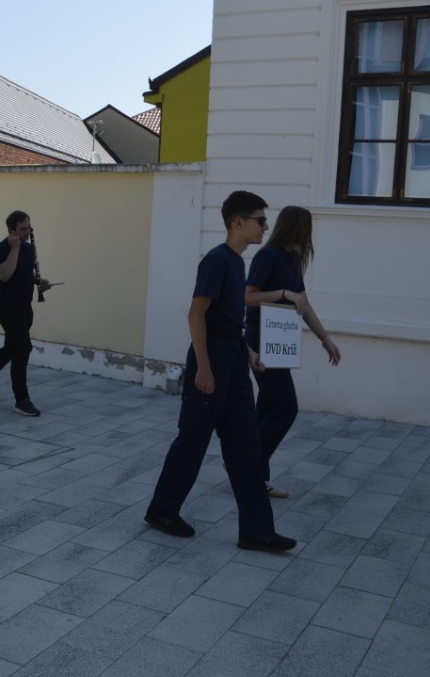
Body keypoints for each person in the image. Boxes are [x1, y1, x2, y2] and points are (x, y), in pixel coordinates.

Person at [144, 190, 297, 553]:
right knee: (193, 440)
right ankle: (162, 511)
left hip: (233, 357)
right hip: (211, 357)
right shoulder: (216, 260)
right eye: (260, 220)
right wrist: (204, 368)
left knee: (246, 445)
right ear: (237, 222)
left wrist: (248, 351)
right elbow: (196, 314)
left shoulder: (238, 263)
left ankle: (256, 531)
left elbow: (228, 319)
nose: (265, 227)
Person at [245, 206, 342, 498]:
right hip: (262, 339)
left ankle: (255, 477)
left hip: (281, 340)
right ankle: (244, 463)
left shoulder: (293, 259)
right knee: (286, 408)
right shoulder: (268, 256)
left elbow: (304, 304)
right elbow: (247, 297)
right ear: (298, 228)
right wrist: (282, 294)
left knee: (267, 409)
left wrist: (325, 339)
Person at [0, 210, 50, 417]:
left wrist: (39, 282)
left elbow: (25, 273)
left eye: (29, 228)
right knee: (22, 348)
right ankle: (22, 400)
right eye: (22, 229)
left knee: (12, 347)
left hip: (25, 305)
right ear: (11, 230)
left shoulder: (28, 248)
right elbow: (4, 275)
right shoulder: (1, 249)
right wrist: (14, 248)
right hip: (8, 305)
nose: (27, 232)